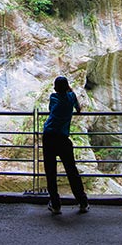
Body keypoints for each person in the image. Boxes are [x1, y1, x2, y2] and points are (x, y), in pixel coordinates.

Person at [42, 75, 89, 215]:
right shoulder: (72, 97)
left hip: (49, 136)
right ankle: (82, 202)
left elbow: (51, 110)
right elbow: (78, 109)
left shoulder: (53, 97)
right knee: (71, 170)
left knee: (51, 172)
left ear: (56, 88)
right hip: (63, 137)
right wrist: (70, 91)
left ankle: (56, 205)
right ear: (67, 87)